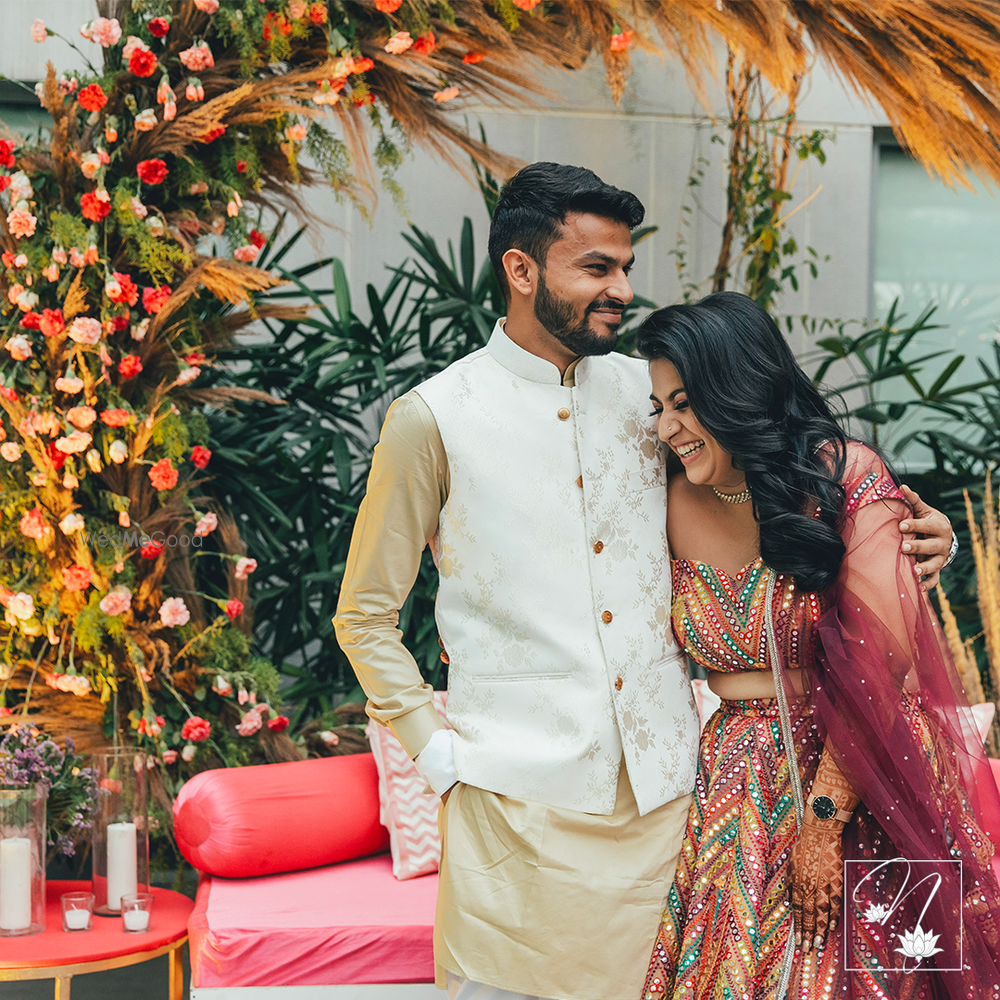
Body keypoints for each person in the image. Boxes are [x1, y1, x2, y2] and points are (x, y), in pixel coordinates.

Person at [333, 163, 955, 1000]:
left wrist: (906, 535)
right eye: (597, 268)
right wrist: (437, 755)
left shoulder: (653, 397)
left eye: (626, 267)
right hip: (513, 807)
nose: (622, 288)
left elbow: (783, 489)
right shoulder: (434, 419)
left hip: (674, 807)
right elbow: (365, 613)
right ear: (521, 271)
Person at [637, 292, 1000, 1000]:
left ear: (735, 389)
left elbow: (882, 656)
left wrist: (822, 827)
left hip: (869, 769)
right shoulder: (669, 500)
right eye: (659, 408)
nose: (669, 428)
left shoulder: (844, 474)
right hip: (737, 791)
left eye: (684, 403)